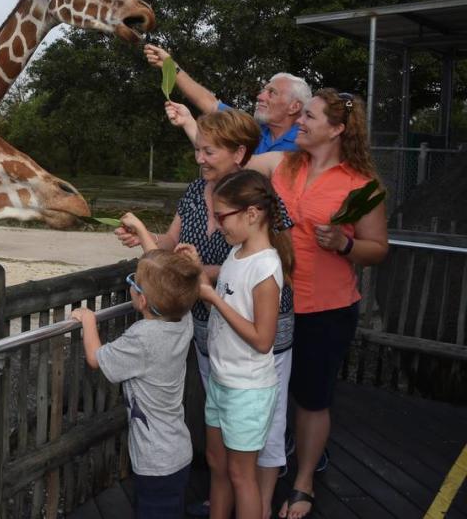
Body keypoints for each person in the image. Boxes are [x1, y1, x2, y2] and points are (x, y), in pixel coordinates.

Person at [117, 110, 295, 518]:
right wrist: (158, 245)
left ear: (239, 154)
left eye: (208, 150)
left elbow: (259, 324)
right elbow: (183, 258)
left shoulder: (260, 240)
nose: (200, 158)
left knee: (248, 461)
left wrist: (208, 292)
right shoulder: (227, 238)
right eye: (198, 149)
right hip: (221, 362)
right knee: (223, 462)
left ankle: (261, 507)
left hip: (247, 374)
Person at [247, 89, 389, 519]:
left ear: (337, 129)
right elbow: (232, 163)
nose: (300, 123)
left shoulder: (362, 186)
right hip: (273, 301)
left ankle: (304, 481)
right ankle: (256, 477)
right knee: (262, 396)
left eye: (309, 117)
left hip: (325, 308)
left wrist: (345, 244)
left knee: (312, 398)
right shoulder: (282, 165)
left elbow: (377, 249)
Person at [185, 169, 293, 519]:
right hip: (221, 380)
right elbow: (223, 300)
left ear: (252, 213)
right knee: (218, 465)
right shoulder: (237, 253)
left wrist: (214, 300)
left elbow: (263, 340)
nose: (217, 226)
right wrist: (198, 270)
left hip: (247, 389)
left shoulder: (265, 266)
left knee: (240, 475)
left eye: (222, 217)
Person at [71, 245, 201, 518]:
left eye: (134, 281)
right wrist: (185, 269)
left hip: (156, 462)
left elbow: (96, 358)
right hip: (178, 451)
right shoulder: (183, 320)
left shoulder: (143, 338)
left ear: (142, 301)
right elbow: (176, 289)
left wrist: (88, 321)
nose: (132, 284)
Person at [144, 43, 309, 154]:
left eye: (271, 92)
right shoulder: (251, 129)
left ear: (294, 106)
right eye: (263, 90)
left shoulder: (308, 143)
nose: (260, 96)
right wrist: (171, 67)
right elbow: (211, 104)